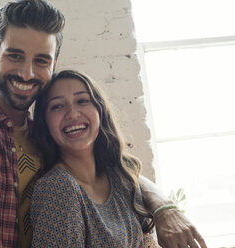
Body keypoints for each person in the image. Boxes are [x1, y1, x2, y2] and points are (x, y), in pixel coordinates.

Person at [0, 0, 207, 247]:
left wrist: (164, 207)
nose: (27, 73)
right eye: (14, 55)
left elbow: (114, 168)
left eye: (41, 61)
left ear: (53, 64)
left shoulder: (47, 137)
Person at [30, 69, 159, 247]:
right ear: (45, 122)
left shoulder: (121, 175)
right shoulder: (58, 188)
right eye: (57, 106)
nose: (73, 114)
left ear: (100, 110)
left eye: (82, 101)